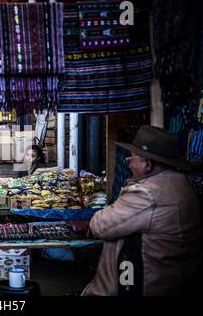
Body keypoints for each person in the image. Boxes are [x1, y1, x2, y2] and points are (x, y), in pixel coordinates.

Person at [82, 126, 202, 296]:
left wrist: (129, 189)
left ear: (148, 164)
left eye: (132, 158)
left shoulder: (146, 193)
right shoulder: (180, 183)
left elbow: (100, 225)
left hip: (140, 285)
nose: (129, 164)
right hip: (171, 280)